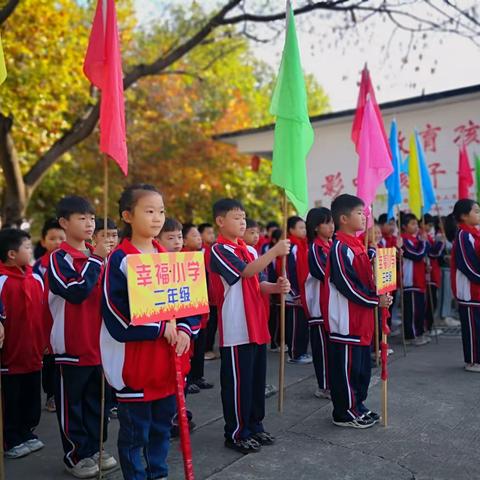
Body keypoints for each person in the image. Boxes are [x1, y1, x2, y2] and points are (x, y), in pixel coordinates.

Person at [101, 184, 199, 480]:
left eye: (161, 211)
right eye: (149, 211)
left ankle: (159, 473)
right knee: (135, 434)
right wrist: (159, 328)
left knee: (161, 428)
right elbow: (114, 314)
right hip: (136, 366)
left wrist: (183, 328)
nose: (157, 218)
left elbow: (188, 304)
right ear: (128, 215)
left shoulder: (168, 256)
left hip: (169, 364)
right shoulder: (119, 259)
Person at [210, 198, 290, 454]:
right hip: (236, 327)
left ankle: (255, 425)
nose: (242, 222)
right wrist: (275, 252)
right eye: (236, 217)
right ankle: (235, 432)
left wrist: (276, 288)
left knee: (255, 381)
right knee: (237, 383)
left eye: (244, 217)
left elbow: (257, 283)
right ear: (220, 221)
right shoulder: (219, 250)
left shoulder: (251, 250)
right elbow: (244, 273)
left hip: (256, 324)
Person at [45, 195, 116, 478]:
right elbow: (75, 291)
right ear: (64, 223)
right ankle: (75, 454)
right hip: (71, 344)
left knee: (97, 402)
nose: (89, 224)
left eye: (91, 218)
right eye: (81, 218)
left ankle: (96, 448)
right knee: (72, 404)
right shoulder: (59, 258)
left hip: (100, 343)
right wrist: (96, 258)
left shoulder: (98, 257)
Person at [324, 194, 392, 429]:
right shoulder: (340, 247)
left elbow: (366, 274)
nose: (365, 218)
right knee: (346, 369)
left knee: (361, 367)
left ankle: (358, 405)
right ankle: (343, 412)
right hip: (345, 321)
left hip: (361, 319)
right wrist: (376, 301)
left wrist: (380, 262)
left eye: (365, 213)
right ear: (343, 218)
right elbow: (346, 285)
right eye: (359, 213)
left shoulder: (357, 245)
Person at [0, 228, 45, 458]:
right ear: (11, 254)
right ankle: (11, 438)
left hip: (33, 353)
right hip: (10, 356)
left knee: (31, 398)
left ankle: (27, 432)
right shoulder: (2, 281)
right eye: (27, 247)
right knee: (11, 400)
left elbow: (44, 314)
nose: (32, 251)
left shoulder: (36, 278)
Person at [33, 218, 66, 413]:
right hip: (45, 319)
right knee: (49, 361)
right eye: (52, 238)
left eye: (61, 238)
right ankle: (51, 395)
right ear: (43, 241)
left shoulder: (69, 262)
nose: (57, 242)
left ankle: (60, 392)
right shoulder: (38, 266)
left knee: (59, 358)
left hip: (62, 319)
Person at [305, 207, 334, 400]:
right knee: (322, 348)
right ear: (316, 227)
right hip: (318, 307)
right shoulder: (315, 248)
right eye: (327, 223)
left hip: (329, 305)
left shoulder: (330, 245)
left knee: (330, 347)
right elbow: (323, 273)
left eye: (332, 222)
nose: (332, 227)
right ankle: (323, 385)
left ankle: (331, 382)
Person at [182, 223, 214, 393]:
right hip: (189, 309)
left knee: (200, 344)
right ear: (184, 240)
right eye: (194, 236)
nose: (199, 238)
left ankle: (198, 376)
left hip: (202, 305)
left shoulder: (199, 256)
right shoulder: (182, 258)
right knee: (191, 347)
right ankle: (189, 379)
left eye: (198, 235)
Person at [450, 199, 480, 372]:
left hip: (476, 287)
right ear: (463, 216)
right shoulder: (463, 235)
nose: (479, 214)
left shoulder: (474, 233)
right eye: (476, 211)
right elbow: (466, 264)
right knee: (472, 326)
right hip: (469, 289)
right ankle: (473, 361)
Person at [283, 216, 311, 364]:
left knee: (303, 325)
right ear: (291, 230)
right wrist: (296, 294)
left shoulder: (304, 245)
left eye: (304, 227)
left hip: (304, 293)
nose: (304, 230)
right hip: (294, 293)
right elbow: (289, 271)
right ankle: (294, 353)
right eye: (300, 227)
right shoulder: (291, 247)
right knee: (295, 325)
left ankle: (302, 352)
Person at [401, 213, 431, 346]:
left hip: (419, 280)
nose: (416, 226)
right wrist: (424, 243)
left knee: (419, 309)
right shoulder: (404, 240)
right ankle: (410, 336)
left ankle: (419, 333)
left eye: (416, 224)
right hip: (410, 281)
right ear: (404, 227)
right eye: (412, 224)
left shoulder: (417, 240)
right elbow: (417, 255)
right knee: (411, 311)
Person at [422, 213, 446, 336]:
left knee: (433, 302)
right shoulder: (422, 237)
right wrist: (440, 243)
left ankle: (429, 326)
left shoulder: (428, 236)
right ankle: (426, 327)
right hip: (426, 274)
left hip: (433, 272)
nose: (429, 227)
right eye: (427, 225)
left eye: (431, 225)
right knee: (429, 303)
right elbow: (432, 253)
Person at [199, 222, 220, 361]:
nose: (212, 235)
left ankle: (208, 348)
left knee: (213, 322)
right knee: (208, 324)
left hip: (213, 295)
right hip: (206, 295)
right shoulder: (203, 252)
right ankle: (206, 349)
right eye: (208, 233)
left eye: (213, 232)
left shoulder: (212, 250)